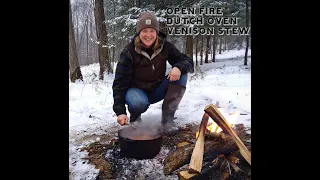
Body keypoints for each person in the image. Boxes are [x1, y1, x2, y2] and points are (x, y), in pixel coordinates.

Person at [112, 11, 194, 134]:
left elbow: (187, 61)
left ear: (156, 32)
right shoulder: (128, 52)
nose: (148, 35)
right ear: (139, 32)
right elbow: (119, 83)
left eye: (152, 31)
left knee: (181, 74)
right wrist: (120, 112)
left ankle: (167, 120)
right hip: (136, 92)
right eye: (144, 31)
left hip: (157, 89)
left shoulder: (165, 46)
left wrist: (178, 67)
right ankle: (135, 117)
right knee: (139, 103)